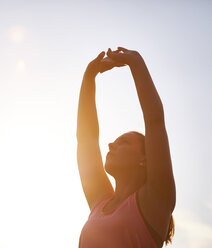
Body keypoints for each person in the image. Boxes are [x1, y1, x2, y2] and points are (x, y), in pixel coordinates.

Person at [76, 47, 176, 248]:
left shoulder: (154, 200)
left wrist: (135, 62)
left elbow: (154, 121)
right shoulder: (100, 201)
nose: (111, 144)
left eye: (124, 142)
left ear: (144, 159)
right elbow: (86, 139)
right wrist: (89, 77)